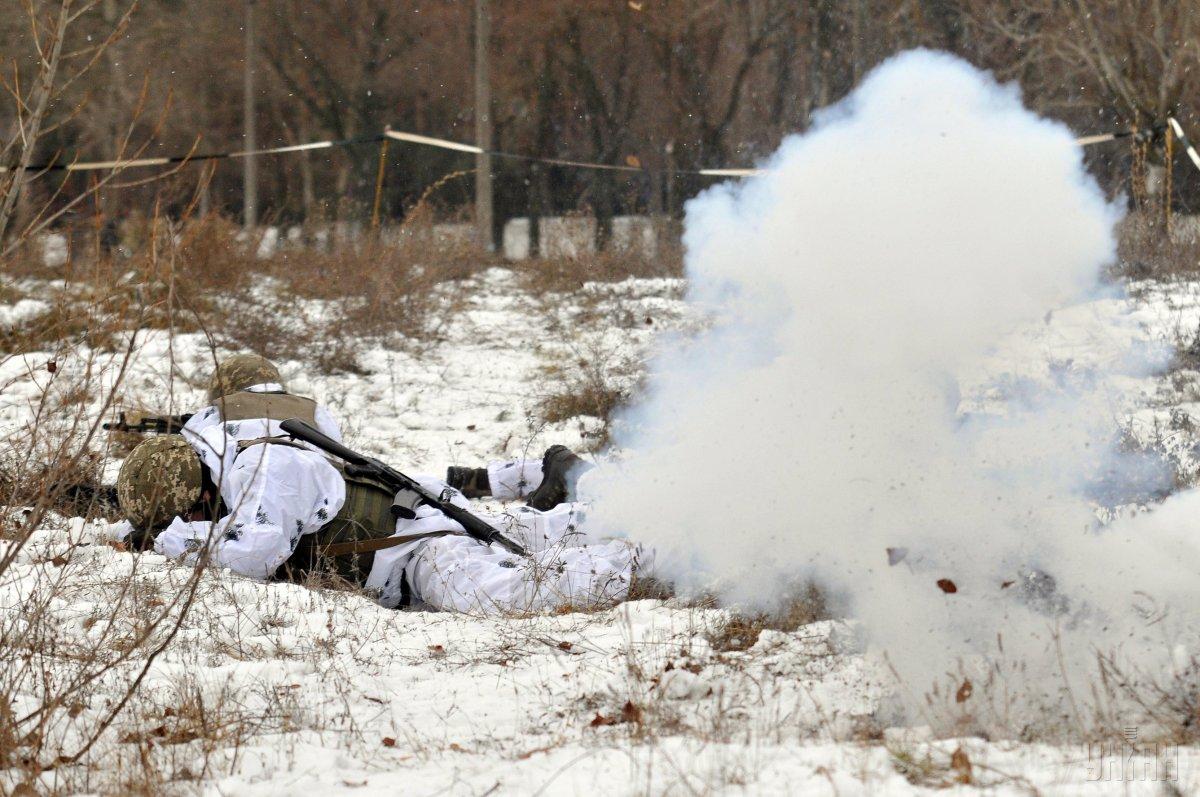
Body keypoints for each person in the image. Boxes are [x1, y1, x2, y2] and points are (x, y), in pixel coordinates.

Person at [115, 430, 643, 614]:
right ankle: (652, 509)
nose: (188, 521)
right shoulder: (235, 473)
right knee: (559, 528)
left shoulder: (264, 472)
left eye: (187, 513)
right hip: (427, 521)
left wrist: (174, 541)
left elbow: (257, 555)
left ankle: (652, 555)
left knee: (503, 597)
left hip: (420, 549)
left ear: (200, 486)